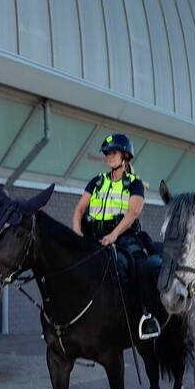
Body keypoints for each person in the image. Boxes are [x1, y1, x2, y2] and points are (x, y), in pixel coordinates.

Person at [72, 133, 159, 339]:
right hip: (95, 235)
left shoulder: (134, 183)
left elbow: (134, 212)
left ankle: (146, 317)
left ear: (125, 156)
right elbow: (80, 208)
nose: (109, 156)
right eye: (107, 153)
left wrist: (113, 235)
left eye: (113, 152)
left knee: (140, 267)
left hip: (124, 236)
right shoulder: (96, 181)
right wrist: (76, 230)